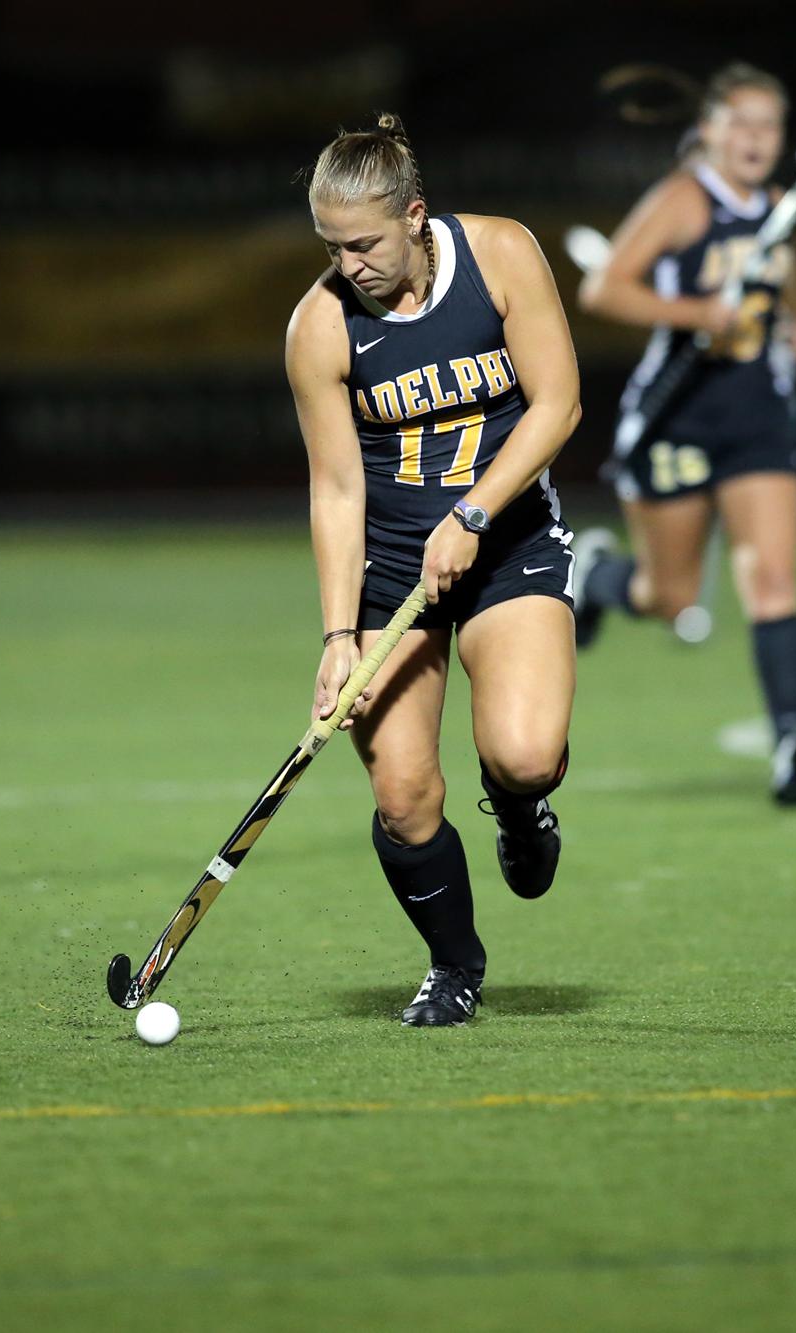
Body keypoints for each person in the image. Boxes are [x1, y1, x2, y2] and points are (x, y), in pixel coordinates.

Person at [287, 114, 583, 1026]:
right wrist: (340, 637)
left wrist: (473, 512)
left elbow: (559, 403)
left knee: (527, 754)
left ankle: (519, 808)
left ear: (416, 216)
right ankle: (454, 965)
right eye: (332, 247)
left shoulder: (499, 254)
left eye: (366, 243)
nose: (350, 265)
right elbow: (337, 490)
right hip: (391, 576)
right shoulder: (321, 327)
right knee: (405, 792)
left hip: (505, 544)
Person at [570, 62, 796, 807]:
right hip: (675, 414)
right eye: (740, 123)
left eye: (768, 125)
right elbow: (603, 286)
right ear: (710, 130)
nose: (755, 138)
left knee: (771, 578)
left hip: (757, 417)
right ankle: (598, 578)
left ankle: (789, 739)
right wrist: (696, 315)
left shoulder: (780, 210)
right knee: (670, 595)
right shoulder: (683, 201)